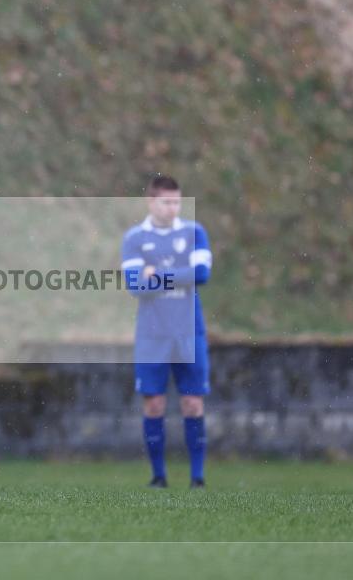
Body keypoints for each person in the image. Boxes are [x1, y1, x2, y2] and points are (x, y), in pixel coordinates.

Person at [120, 175, 212, 489]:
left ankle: (197, 478)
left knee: (193, 404)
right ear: (151, 201)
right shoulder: (135, 238)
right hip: (152, 335)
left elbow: (201, 274)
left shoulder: (194, 232)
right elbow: (135, 286)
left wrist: (157, 274)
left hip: (189, 332)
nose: (173, 208)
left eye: (177, 201)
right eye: (166, 201)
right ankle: (158, 476)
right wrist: (177, 276)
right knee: (154, 404)